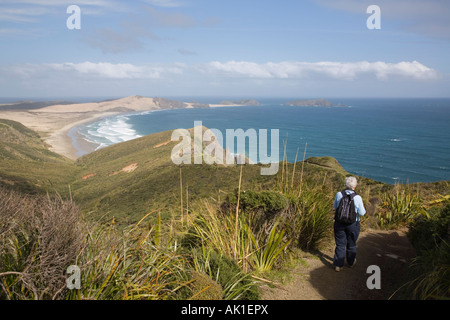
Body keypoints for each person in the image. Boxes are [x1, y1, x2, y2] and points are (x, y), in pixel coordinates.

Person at [333, 176, 366, 272]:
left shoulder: (339, 194)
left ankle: (338, 265)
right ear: (354, 186)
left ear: (345, 185)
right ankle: (351, 262)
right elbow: (362, 213)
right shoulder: (357, 197)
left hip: (339, 223)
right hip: (353, 224)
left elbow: (335, 207)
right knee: (351, 244)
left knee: (340, 244)